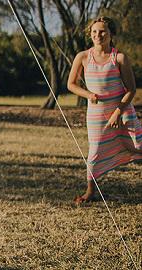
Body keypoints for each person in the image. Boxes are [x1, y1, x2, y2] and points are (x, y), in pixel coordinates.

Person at [66, 16, 141, 205]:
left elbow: (131, 89)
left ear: (111, 34)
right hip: (97, 115)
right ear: (90, 34)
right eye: (94, 32)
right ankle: (90, 191)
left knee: (138, 146)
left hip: (122, 112)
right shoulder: (82, 57)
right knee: (94, 153)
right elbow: (71, 84)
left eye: (102, 31)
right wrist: (88, 94)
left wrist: (118, 112)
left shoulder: (120, 58)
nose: (98, 35)